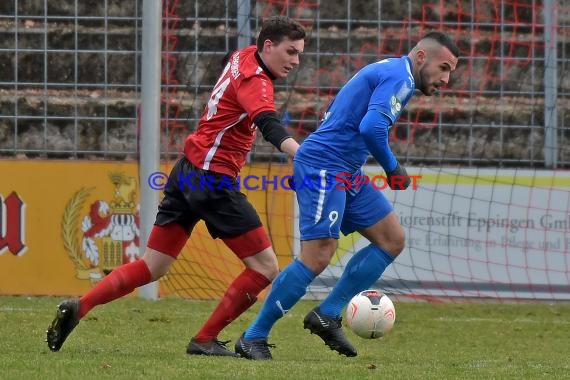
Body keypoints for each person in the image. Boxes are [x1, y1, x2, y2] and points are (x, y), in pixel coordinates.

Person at [46, 15, 306, 357]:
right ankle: (204, 340)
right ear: (268, 46)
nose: (296, 61)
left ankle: (80, 306)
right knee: (265, 267)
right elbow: (269, 124)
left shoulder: (243, 55)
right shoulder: (255, 81)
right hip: (212, 180)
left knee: (153, 266)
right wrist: (302, 155)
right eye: (290, 51)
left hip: (186, 171)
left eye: (299, 53)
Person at [235, 31, 460, 360]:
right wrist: (393, 168)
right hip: (324, 166)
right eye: (444, 68)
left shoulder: (398, 73)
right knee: (318, 256)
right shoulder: (400, 76)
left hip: (346, 169)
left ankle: (328, 313)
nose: (446, 79)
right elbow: (372, 127)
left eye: (450, 71)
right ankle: (253, 336)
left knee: (391, 238)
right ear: (422, 57)